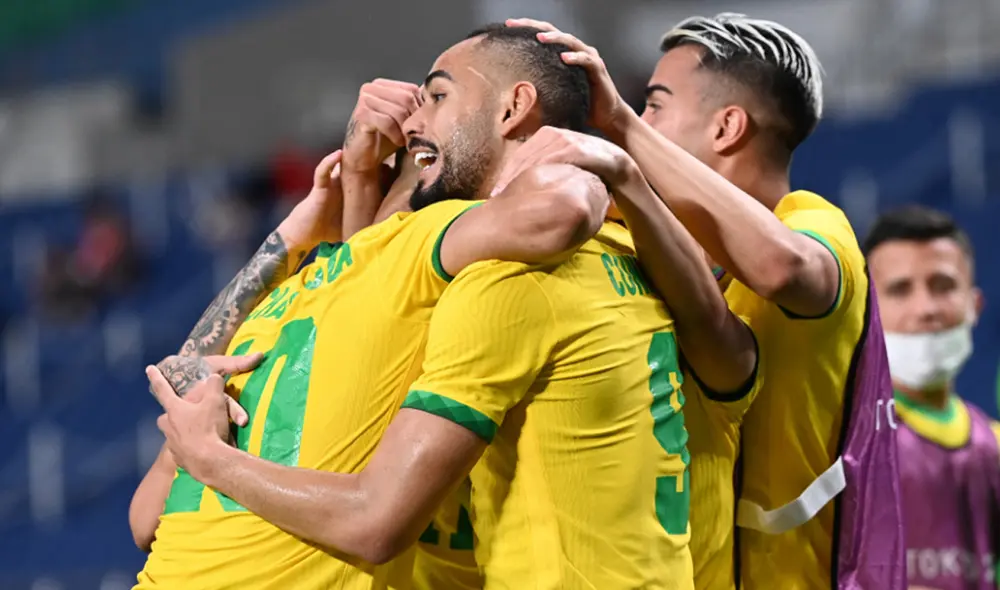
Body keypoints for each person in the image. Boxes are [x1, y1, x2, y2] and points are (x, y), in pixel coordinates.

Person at [143, 23, 754, 590]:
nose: (412, 120)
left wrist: (210, 458)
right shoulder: (655, 262)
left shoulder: (504, 279)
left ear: (513, 108)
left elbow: (374, 519)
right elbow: (375, 285)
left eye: (436, 96)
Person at [506, 12, 903, 589]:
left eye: (654, 106)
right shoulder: (658, 238)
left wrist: (621, 129)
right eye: (638, 110)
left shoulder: (813, 224)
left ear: (727, 128)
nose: (637, 122)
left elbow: (783, 267)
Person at [864, 206, 1000, 590]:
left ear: (974, 306)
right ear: (868, 312)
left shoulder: (993, 447)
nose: (925, 309)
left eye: (942, 285)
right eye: (900, 290)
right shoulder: (840, 441)